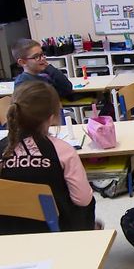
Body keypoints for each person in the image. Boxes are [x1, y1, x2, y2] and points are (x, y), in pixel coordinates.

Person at [0, 81, 95, 234]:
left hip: (8, 232)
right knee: (88, 202)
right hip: (54, 229)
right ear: (51, 117)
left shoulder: (2, 148)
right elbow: (82, 199)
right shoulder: (63, 150)